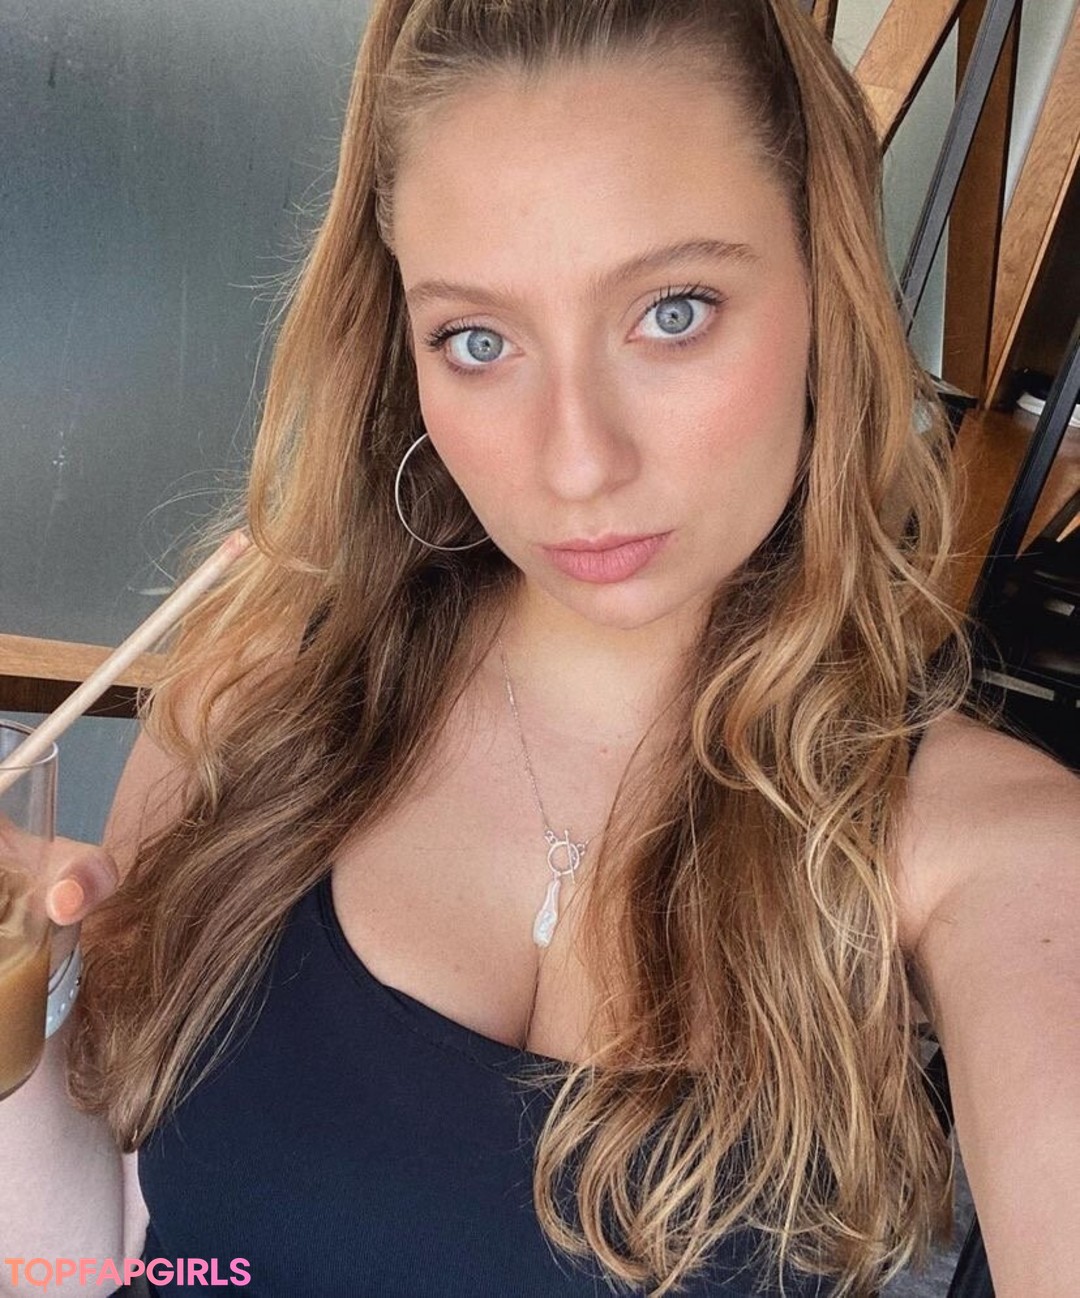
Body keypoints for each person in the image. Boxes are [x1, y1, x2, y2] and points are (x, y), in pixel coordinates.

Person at [4, 0, 1078, 1295]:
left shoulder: (992, 856)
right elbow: (97, 1254)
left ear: (822, 284)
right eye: (479, 339)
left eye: (673, 310)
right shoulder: (257, 695)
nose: (577, 462)